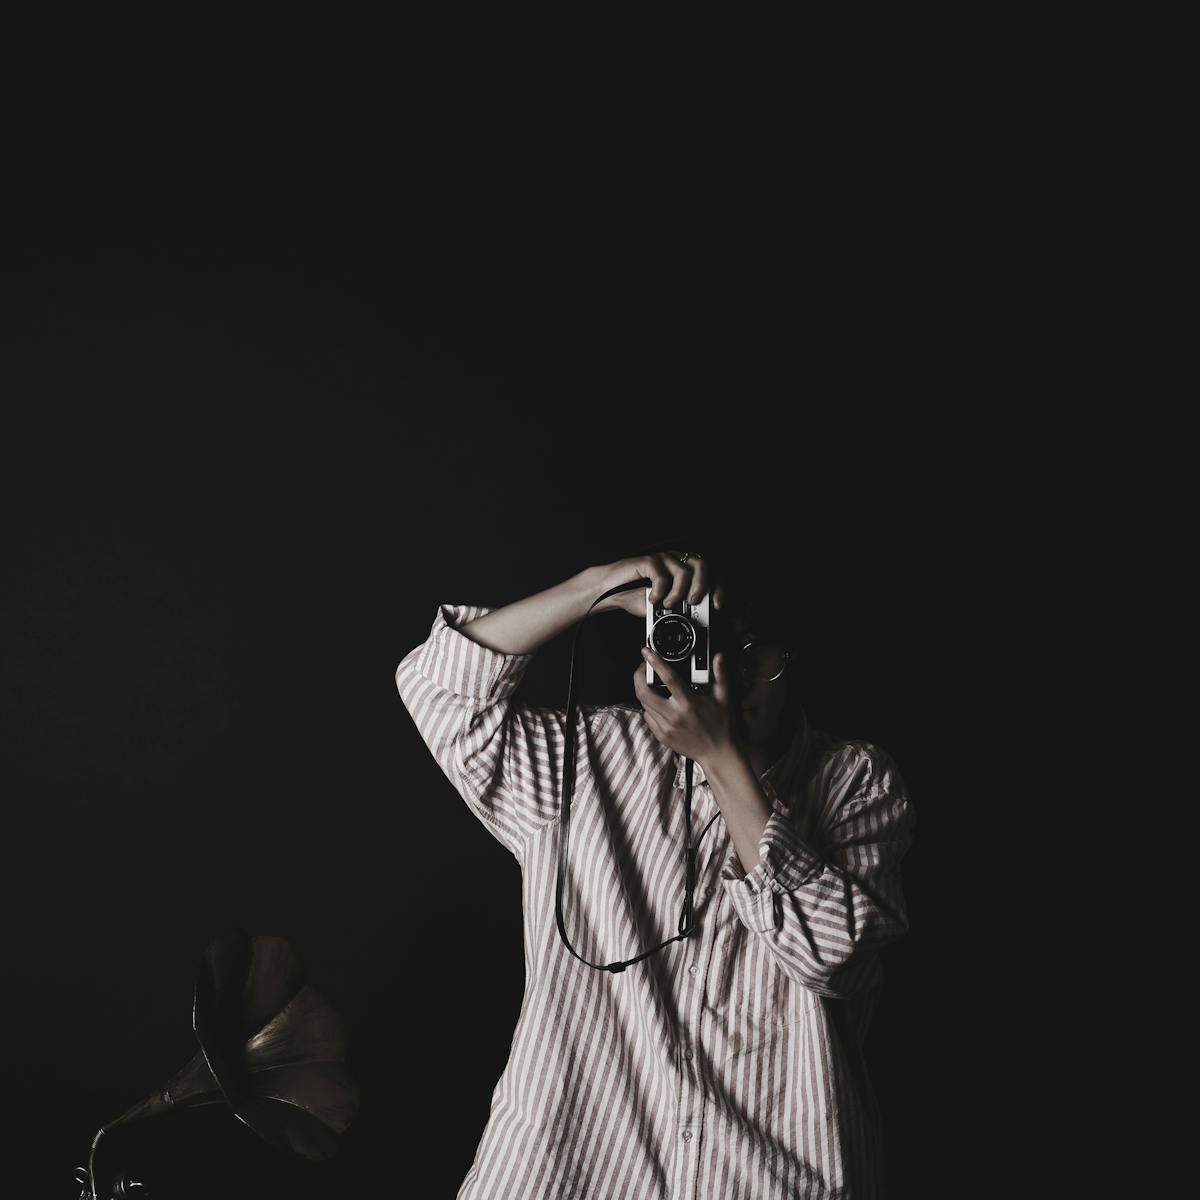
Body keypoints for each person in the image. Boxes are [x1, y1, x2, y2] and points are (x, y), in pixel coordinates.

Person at [393, 549, 916, 1199]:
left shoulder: (857, 780)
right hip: (576, 1168)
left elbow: (831, 956)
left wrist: (720, 758)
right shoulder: (591, 760)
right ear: (670, 646)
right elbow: (438, 687)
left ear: (793, 655)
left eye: (755, 653)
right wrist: (599, 590)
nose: (732, 674)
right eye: (713, 645)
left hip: (770, 1173)